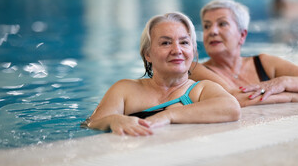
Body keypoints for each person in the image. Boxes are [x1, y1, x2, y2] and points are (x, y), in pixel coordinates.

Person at [82, 12, 241, 136]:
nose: (177, 50)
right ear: (148, 54)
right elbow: (92, 123)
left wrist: (168, 116)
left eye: (184, 42)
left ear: (192, 51)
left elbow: (232, 108)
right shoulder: (125, 89)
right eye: (165, 43)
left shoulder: (201, 90)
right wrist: (114, 119)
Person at [189, 0, 298, 107]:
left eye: (222, 24)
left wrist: (283, 82)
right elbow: (231, 98)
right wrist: (294, 97)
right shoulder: (196, 69)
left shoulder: (264, 63)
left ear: (242, 35)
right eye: (207, 26)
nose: (212, 31)